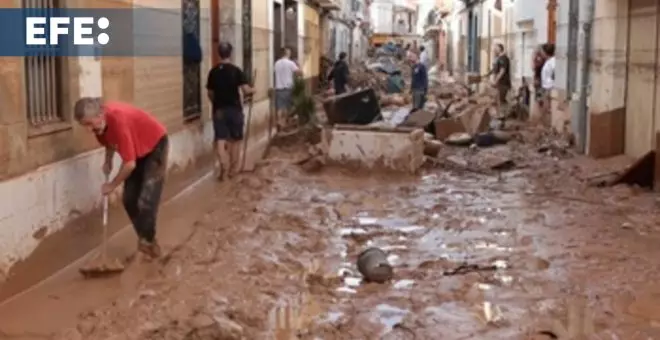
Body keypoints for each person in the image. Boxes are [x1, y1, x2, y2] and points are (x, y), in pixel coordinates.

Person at [74, 98, 169, 259]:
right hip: (136, 150)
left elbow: (129, 164)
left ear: (100, 115)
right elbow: (109, 142)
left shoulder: (119, 121)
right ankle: (147, 242)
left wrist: (112, 185)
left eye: (90, 124)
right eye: (85, 126)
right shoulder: (100, 127)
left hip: (155, 145)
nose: (89, 130)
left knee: (146, 201)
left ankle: (146, 243)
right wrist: (108, 160)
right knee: (129, 199)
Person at [206, 42, 255, 181]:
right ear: (230, 53)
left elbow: (210, 93)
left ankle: (223, 164)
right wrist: (253, 90)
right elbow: (246, 90)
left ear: (218, 53)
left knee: (220, 139)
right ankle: (233, 170)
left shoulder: (213, 72)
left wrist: (215, 104)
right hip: (234, 110)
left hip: (219, 110)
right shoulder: (236, 71)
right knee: (236, 140)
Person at [274, 47, 302, 130]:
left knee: (279, 107)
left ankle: (279, 121)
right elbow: (300, 73)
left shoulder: (276, 63)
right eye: (289, 52)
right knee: (287, 107)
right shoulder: (291, 63)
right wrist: (298, 65)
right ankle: (284, 123)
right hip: (288, 88)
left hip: (278, 88)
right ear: (286, 53)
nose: (290, 54)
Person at [489, 43, 512, 114]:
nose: (494, 50)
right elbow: (495, 70)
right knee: (498, 101)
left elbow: (502, 71)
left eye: (495, 48)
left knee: (501, 101)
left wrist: (496, 81)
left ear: (499, 49)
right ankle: (501, 114)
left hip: (503, 84)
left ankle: (505, 114)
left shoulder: (504, 58)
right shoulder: (498, 58)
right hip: (499, 83)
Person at [540, 43, 556, 115]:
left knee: (548, 108)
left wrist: (552, 81)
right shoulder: (548, 61)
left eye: (542, 51)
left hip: (550, 87)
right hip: (546, 86)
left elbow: (555, 72)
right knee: (545, 107)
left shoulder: (553, 61)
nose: (541, 53)